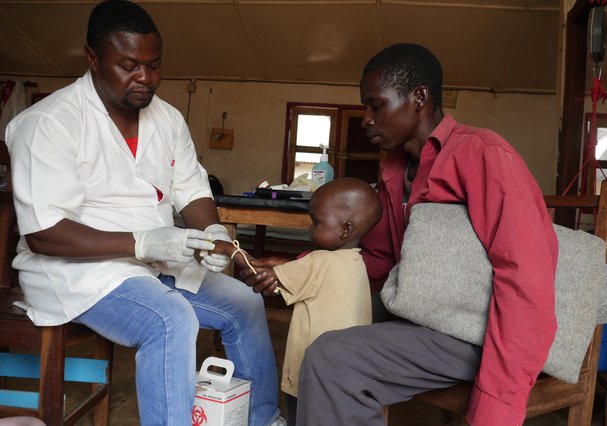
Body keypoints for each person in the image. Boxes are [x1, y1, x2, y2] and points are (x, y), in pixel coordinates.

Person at [248, 43, 559, 426]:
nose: (365, 119)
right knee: (316, 320)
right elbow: (375, 259)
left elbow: (526, 281)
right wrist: (295, 270)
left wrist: (495, 409)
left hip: (469, 329)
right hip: (415, 312)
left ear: (419, 98)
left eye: (375, 105)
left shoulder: (483, 155)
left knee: (333, 357)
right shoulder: (395, 173)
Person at [4, 1, 283, 425]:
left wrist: (211, 229)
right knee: (170, 320)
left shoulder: (167, 119)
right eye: (129, 65)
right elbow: (44, 233)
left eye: (154, 66)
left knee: (244, 303)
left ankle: (262, 418)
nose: (145, 78)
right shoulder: (49, 123)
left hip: (153, 261)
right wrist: (141, 241)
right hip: (77, 271)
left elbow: (191, 188)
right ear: (93, 57)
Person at [234, 177, 381, 425]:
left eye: (316, 222)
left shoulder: (319, 261)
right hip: (347, 375)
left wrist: (235, 254)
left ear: (345, 230)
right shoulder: (357, 263)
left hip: (310, 376)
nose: (309, 228)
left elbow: (266, 276)